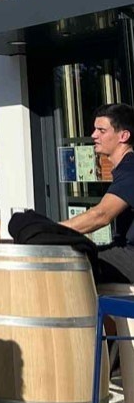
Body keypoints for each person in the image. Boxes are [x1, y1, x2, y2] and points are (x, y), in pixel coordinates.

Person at [63, 103, 134, 282]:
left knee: (70, 268)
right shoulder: (124, 168)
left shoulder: (130, 170)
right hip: (124, 250)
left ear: (123, 136)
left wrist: (51, 230)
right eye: (95, 130)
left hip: (130, 255)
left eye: (101, 130)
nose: (94, 135)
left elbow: (101, 215)